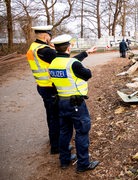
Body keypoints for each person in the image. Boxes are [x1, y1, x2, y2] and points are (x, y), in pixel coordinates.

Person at [25, 25, 89, 154]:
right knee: (55, 118)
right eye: (49, 36)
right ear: (45, 36)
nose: (50, 38)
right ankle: (56, 146)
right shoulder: (45, 50)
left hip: (42, 85)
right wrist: (84, 54)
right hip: (50, 88)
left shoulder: (33, 48)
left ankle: (55, 142)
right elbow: (65, 63)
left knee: (51, 116)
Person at [48, 34, 99, 172]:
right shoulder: (73, 64)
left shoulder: (53, 63)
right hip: (75, 104)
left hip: (61, 102)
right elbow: (87, 74)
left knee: (64, 132)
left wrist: (86, 53)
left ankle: (64, 160)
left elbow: (67, 65)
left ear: (56, 47)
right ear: (69, 47)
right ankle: (83, 164)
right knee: (82, 132)